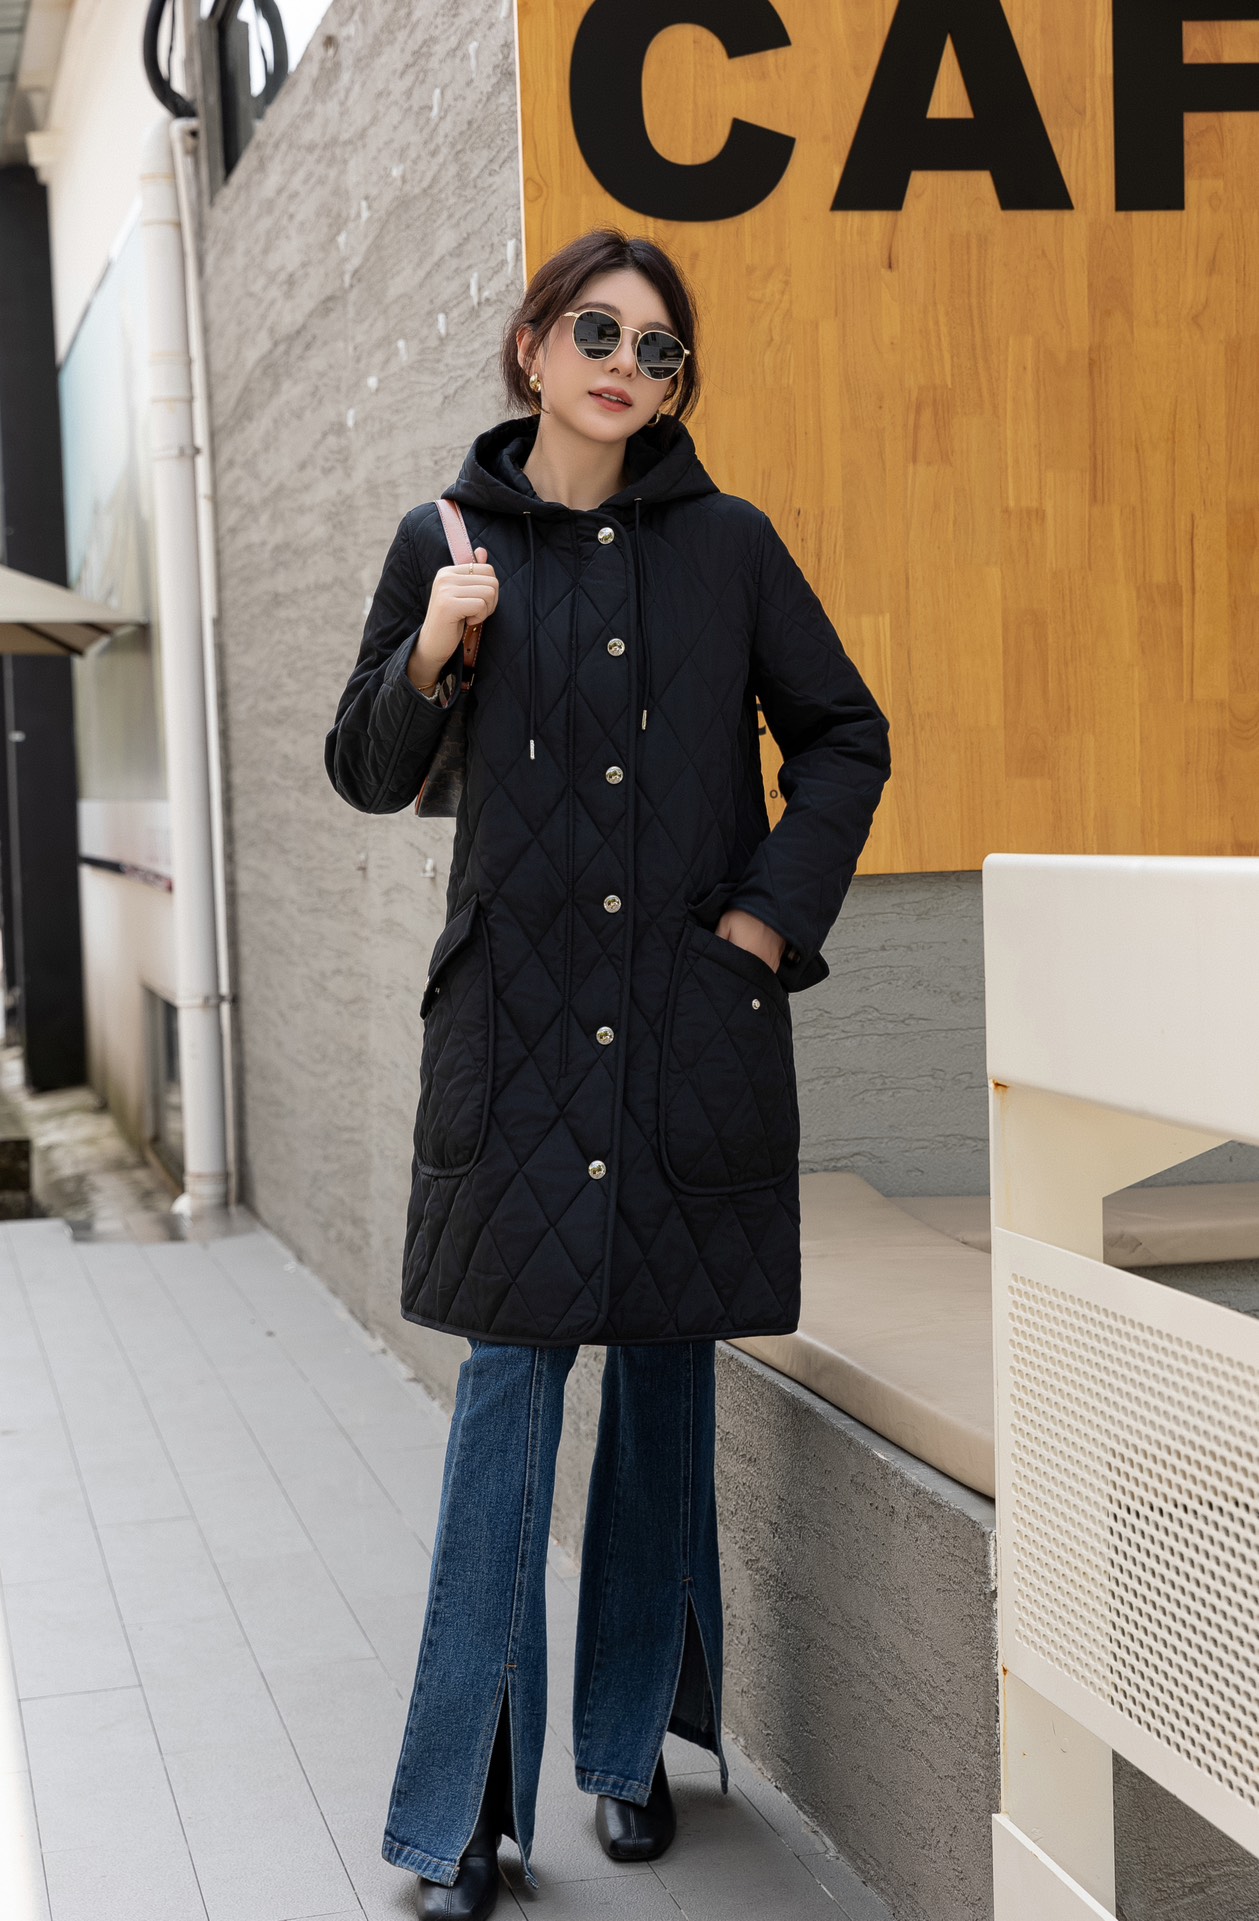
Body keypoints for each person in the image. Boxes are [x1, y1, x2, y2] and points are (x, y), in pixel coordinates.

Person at [323, 226, 891, 1919]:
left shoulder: (732, 546)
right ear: (531, 346)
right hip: (512, 1042)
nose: (624, 365)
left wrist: (764, 925)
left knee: (659, 1383)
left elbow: (845, 734)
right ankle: (464, 1812)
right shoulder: (444, 541)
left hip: (686, 1026)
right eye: (596, 330)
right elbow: (364, 768)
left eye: (657, 349)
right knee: (507, 1397)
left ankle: (629, 1745)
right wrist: (434, 649)